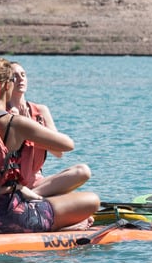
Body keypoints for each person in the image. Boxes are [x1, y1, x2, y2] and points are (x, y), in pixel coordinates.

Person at [0, 56, 100, 234]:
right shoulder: (14, 123)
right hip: (8, 217)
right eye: (12, 79)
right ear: (4, 86)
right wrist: (30, 127)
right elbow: (67, 145)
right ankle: (63, 225)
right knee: (91, 200)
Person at [5, 62, 91, 196]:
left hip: (37, 182)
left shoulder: (41, 111)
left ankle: (32, 198)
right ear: (6, 82)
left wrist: (35, 132)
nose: (21, 79)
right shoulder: (3, 113)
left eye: (23, 75)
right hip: (13, 182)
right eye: (15, 76)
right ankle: (30, 198)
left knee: (83, 171)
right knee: (85, 217)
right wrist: (21, 127)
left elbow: (59, 152)